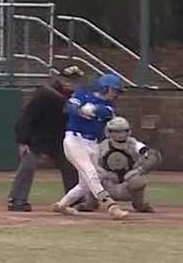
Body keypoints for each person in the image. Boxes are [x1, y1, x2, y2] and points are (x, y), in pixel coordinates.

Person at [49, 73, 129, 220]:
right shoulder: (81, 94)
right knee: (90, 171)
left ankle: (61, 205)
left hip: (92, 143)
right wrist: (80, 110)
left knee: (85, 183)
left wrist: (91, 109)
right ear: (104, 88)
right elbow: (69, 107)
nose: (116, 94)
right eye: (114, 90)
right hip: (74, 139)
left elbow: (102, 112)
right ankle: (110, 205)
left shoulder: (109, 107)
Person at [6, 66, 85, 212]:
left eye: (75, 80)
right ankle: (17, 199)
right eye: (67, 79)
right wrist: (22, 141)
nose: (70, 83)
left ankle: (75, 199)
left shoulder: (78, 96)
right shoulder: (45, 93)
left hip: (59, 137)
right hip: (37, 136)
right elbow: (26, 117)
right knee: (28, 165)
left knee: (70, 165)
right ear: (60, 78)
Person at [91, 116, 162, 213]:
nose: (120, 135)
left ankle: (139, 204)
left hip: (128, 186)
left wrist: (138, 171)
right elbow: (90, 162)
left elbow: (153, 156)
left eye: (123, 131)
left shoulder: (134, 144)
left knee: (137, 179)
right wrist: (104, 172)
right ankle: (90, 203)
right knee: (92, 176)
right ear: (109, 132)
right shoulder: (102, 146)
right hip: (107, 186)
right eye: (115, 131)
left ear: (128, 132)